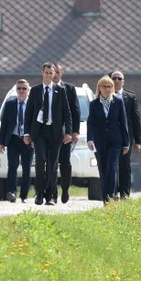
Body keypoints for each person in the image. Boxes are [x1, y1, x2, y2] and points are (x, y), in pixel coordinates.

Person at [23, 62, 73, 205]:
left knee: (52, 164)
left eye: (51, 73)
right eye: (47, 73)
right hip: (39, 132)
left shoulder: (60, 90)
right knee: (40, 161)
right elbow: (29, 113)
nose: (49, 75)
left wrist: (68, 132)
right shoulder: (35, 90)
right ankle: (39, 193)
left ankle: (50, 195)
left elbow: (67, 113)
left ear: (54, 74)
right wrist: (27, 133)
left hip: (55, 132)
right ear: (42, 73)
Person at [86, 75, 129, 203]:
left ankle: (111, 195)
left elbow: (123, 122)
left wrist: (126, 143)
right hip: (100, 141)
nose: (107, 89)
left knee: (112, 166)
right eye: (104, 86)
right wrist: (90, 139)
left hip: (116, 141)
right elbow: (91, 123)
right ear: (99, 88)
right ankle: (106, 198)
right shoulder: (94, 104)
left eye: (110, 86)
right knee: (103, 169)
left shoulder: (118, 102)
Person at [0, 79, 34, 203]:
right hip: (13, 139)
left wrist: (33, 139)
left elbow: (36, 124)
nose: (21, 91)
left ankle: (24, 195)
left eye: (24, 88)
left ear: (28, 90)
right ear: (16, 90)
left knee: (26, 168)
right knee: (12, 165)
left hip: (28, 140)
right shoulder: (10, 104)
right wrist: (1, 142)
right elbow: (5, 124)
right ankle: (11, 192)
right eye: (19, 88)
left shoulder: (33, 104)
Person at [110, 70, 141, 199]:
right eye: (114, 78)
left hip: (126, 137)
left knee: (124, 165)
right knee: (111, 165)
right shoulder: (105, 95)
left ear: (123, 81)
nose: (117, 81)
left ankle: (124, 193)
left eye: (119, 78)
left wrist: (138, 141)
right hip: (110, 136)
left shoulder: (130, 97)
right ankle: (111, 192)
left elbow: (136, 119)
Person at [53, 63, 80, 203]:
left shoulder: (69, 89)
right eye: (53, 72)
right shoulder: (44, 89)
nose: (55, 74)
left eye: (58, 72)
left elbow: (75, 111)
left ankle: (65, 189)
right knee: (51, 163)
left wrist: (74, 131)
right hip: (49, 133)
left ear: (61, 73)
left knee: (64, 162)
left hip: (65, 133)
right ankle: (52, 192)